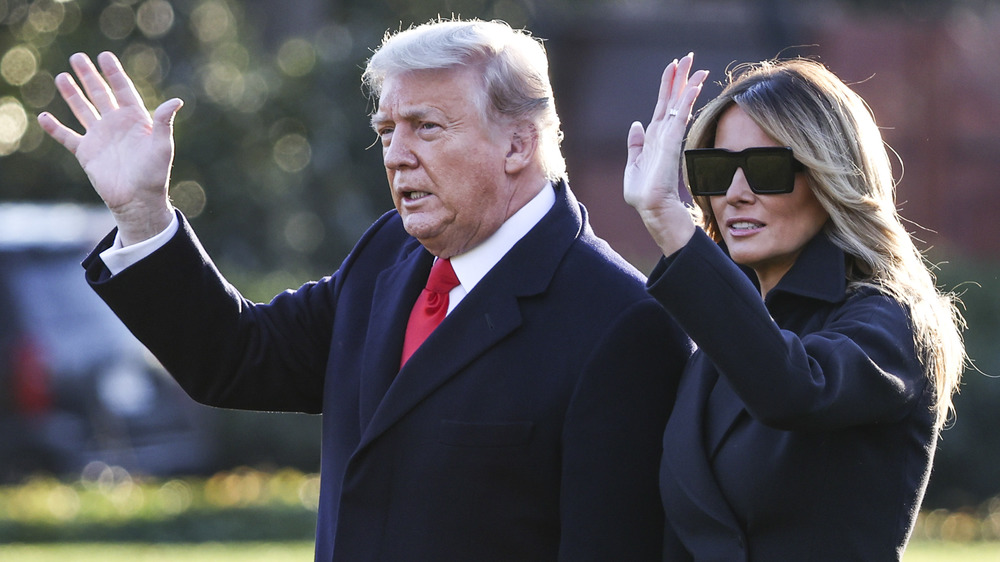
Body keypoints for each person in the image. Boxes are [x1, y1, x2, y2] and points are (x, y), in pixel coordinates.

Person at [37, 18, 689, 561]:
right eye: (386, 131)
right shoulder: (389, 254)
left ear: (518, 143)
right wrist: (144, 213)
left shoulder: (622, 324)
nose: (396, 155)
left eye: (426, 127)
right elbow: (237, 359)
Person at [623, 55, 966, 560]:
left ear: (830, 178)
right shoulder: (720, 327)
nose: (735, 194)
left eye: (765, 168)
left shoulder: (892, 322)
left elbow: (793, 388)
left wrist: (668, 223)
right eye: (716, 169)